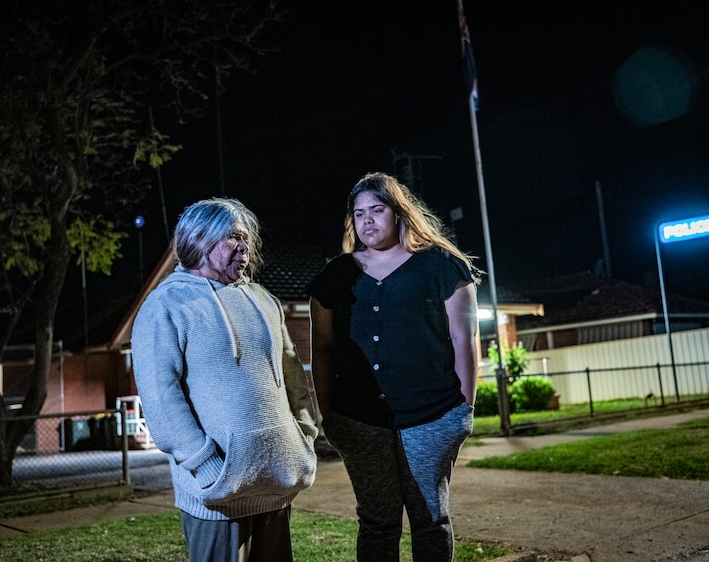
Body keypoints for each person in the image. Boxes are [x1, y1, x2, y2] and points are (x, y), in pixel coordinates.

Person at [131, 198, 318, 562]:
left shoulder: (264, 300)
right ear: (199, 240)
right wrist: (208, 468)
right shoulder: (165, 306)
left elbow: (294, 376)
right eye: (233, 238)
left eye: (246, 238)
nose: (245, 248)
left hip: (277, 484)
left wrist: (305, 435)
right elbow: (160, 398)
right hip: (216, 496)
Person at [307, 172, 480, 562]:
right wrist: (327, 414)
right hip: (359, 419)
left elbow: (464, 339)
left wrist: (464, 409)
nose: (367, 220)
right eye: (359, 213)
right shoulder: (335, 277)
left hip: (433, 416)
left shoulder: (441, 266)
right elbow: (323, 349)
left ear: (399, 213)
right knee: (377, 521)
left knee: (430, 519)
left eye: (377, 210)